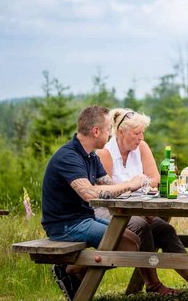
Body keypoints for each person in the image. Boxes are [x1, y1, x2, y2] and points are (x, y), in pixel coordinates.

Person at [94, 108, 188, 296]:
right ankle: (153, 284)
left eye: (142, 132)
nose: (141, 137)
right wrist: (136, 185)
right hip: (108, 212)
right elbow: (105, 194)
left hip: (137, 208)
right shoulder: (105, 154)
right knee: (142, 226)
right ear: (121, 132)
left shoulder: (141, 147)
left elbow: (157, 179)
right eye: (136, 133)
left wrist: (140, 187)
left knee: (165, 229)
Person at [40, 106, 147, 300]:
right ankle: (67, 269)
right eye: (108, 129)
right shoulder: (69, 156)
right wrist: (130, 185)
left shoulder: (90, 155)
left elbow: (109, 185)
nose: (110, 134)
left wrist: (135, 186)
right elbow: (89, 193)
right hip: (65, 225)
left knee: (133, 241)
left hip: (83, 219)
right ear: (96, 131)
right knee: (127, 246)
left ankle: (77, 277)